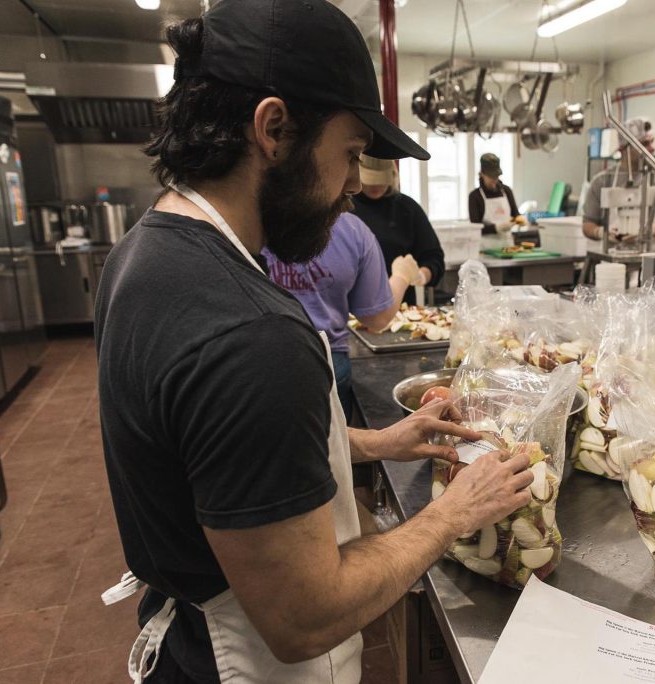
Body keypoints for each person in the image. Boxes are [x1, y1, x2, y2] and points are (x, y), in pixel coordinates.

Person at [93, 2, 533, 682]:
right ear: (274, 128)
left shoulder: (142, 255)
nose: (355, 187)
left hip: (183, 640)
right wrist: (452, 513)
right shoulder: (254, 334)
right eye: (351, 154)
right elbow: (305, 617)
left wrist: (376, 442)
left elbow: (218, 457)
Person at [264, 212, 417, 421]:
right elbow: (377, 318)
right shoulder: (351, 229)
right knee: (332, 447)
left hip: (261, 356)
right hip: (327, 360)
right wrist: (402, 275)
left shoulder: (251, 217)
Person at [351, 155, 444, 304]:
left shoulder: (407, 209)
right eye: (371, 181)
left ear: (393, 175)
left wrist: (421, 275)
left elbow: (433, 257)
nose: (376, 186)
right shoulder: (343, 209)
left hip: (401, 309)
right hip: (351, 307)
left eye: (382, 181)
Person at [582, 117, 655, 245]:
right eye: (643, 145)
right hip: (613, 259)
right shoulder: (603, 181)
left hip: (652, 259)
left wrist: (651, 230)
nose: (651, 149)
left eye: (651, 142)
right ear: (624, 149)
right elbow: (587, 224)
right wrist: (601, 233)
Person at [468, 153, 526, 236]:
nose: (494, 180)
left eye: (496, 176)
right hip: (485, 245)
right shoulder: (475, 196)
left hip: (507, 244)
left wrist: (520, 220)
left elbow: (515, 214)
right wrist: (496, 228)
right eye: (491, 176)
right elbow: (475, 227)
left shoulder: (507, 191)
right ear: (482, 174)